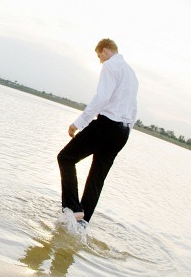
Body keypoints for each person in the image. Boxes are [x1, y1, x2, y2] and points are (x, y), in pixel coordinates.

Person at [57, 38, 138, 234]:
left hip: (107, 125)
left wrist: (78, 123)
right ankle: (82, 223)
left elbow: (101, 98)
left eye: (99, 56)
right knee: (97, 177)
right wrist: (125, 130)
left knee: (65, 158)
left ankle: (74, 208)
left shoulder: (111, 66)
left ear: (105, 50)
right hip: (123, 131)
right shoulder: (132, 74)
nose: (100, 61)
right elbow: (133, 108)